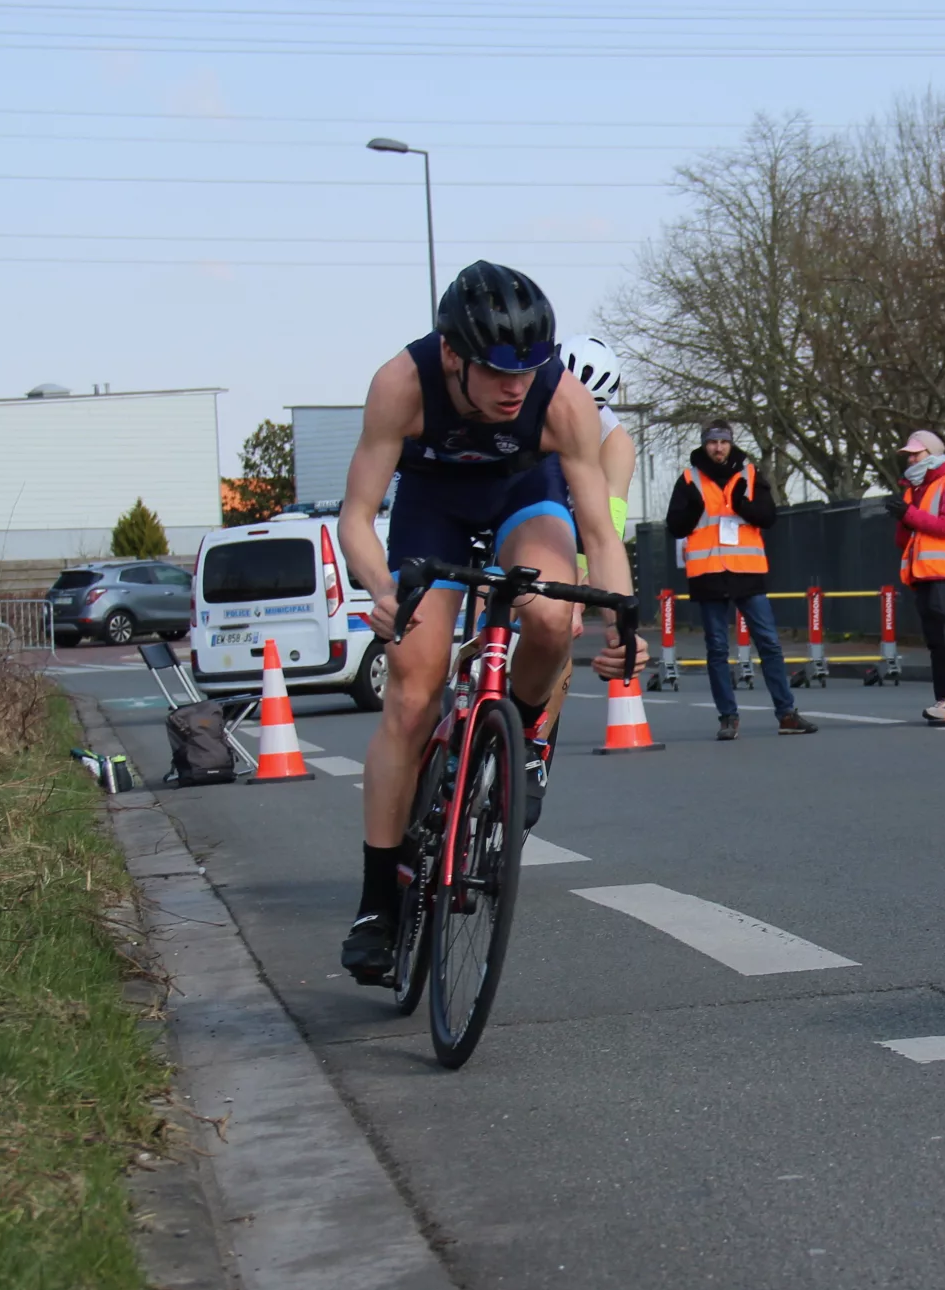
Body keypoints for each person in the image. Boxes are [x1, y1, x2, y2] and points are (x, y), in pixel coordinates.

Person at [334, 262, 641, 986]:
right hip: (432, 507)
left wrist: (622, 622)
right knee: (411, 696)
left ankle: (520, 736)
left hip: (523, 498)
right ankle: (377, 903)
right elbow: (356, 516)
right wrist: (383, 589)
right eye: (499, 372)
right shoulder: (400, 383)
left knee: (552, 617)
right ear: (452, 354)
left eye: (528, 371)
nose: (516, 388)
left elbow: (600, 533)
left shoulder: (561, 399)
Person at [662, 420, 817, 740]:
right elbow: (675, 526)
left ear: (731, 444)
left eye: (723, 442)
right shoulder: (689, 479)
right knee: (717, 649)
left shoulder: (749, 475)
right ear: (704, 445)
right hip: (708, 573)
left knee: (769, 643)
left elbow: (768, 517)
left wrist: (742, 505)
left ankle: (786, 714)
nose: (718, 448)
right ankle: (728, 718)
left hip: (746, 571)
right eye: (712, 442)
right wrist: (693, 510)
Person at [539, 335, 639, 746]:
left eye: (589, 407)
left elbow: (601, 534)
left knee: (559, 624)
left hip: (569, 525)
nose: (572, 414)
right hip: (526, 504)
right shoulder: (519, 404)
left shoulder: (616, 444)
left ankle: (534, 740)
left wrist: (582, 601)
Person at [886, 429, 945, 719]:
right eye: (909, 455)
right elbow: (904, 540)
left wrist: (908, 515)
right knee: (937, 640)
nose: (911, 459)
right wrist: (903, 517)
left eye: (916, 453)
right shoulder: (914, 489)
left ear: (934, 453)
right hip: (925, 573)